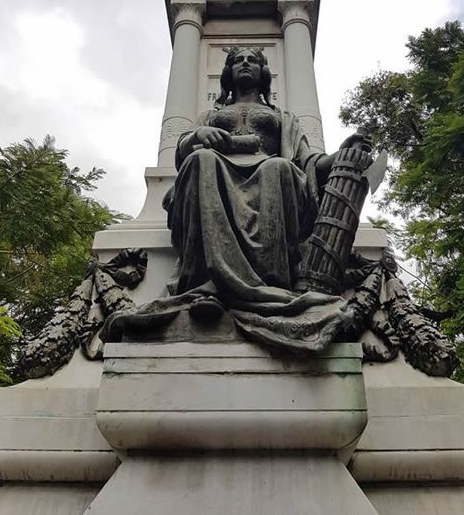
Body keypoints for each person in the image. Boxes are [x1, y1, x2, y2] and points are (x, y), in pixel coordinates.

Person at [102, 47, 371, 354]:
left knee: (278, 167)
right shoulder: (210, 116)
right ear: (228, 72)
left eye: (252, 60)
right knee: (201, 160)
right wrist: (198, 137)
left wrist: (340, 157)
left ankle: (270, 285)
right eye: (238, 60)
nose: (245, 64)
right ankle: (208, 283)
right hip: (215, 172)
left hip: (269, 175)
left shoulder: (283, 118)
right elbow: (182, 153)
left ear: (263, 72)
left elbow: (308, 160)